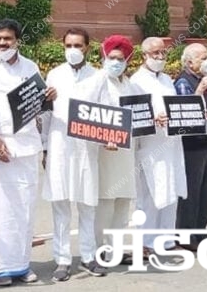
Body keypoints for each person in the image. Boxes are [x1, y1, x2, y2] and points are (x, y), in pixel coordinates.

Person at [0, 19, 56, 286]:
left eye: (7, 39)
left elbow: (36, 106)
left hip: (27, 147)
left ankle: (21, 265)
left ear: (17, 40)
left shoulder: (30, 67)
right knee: (1, 209)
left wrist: (49, 97)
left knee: (25, 209)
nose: (2, 44)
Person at [39, 28, 104, 281]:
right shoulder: (54, 75)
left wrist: (109, 138)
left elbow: (106, 111)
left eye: (78, 45)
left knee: (87, 204)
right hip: (59, 145)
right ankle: (62, 260)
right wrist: (45, 147)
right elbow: (45, 114)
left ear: (87, 47)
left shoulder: (97, 77)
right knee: (61, 205)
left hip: (87, 148)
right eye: (68, 45)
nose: (73, 50)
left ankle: (88, 256)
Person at [77, 35, 141, 263]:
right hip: (105, 151)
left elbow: (139, 115)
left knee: (123, 203)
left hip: (126, 152)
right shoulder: (96, 81)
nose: (116, 62)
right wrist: (103, 137)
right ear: (104, 57)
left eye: (120, 58)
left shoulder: (130, 85)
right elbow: (84, 114)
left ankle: (116, 250)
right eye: (112, 57)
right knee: (105, 203)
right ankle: (98, 248)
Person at [129, 37, 183, 255]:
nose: (160, 57)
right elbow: (133, 114)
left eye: (163, 53)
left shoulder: (167, 80)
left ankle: (166, 239)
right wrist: (153, 119)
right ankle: (145, 242)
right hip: (149, 145)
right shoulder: (136, 82)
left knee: (170, 191)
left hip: (170, 143)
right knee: (149, 196)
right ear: (144, 55)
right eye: (155, 53)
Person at [174, 43, 207, 250]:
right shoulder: (185, 82)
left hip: (206, 139)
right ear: (190, 62)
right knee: (191, 190)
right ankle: (186, 234)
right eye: (202, 58)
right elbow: (185, 110)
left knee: (205, 189)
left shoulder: (203, 80)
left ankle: (200, 231)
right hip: (191, 142)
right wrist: (200, 92)